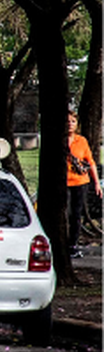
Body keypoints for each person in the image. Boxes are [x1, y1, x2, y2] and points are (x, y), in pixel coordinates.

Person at [65, 110, 101, 258]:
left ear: (77, 124)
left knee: (76, 214)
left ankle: (72, 245)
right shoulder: (59, 140)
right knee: (63, 214)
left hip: (80, 182)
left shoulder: (81, 141)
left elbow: (90, 162)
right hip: (64, 183)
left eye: (73, 121)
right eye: (67, 121)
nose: (70, 124)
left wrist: (97, 183)